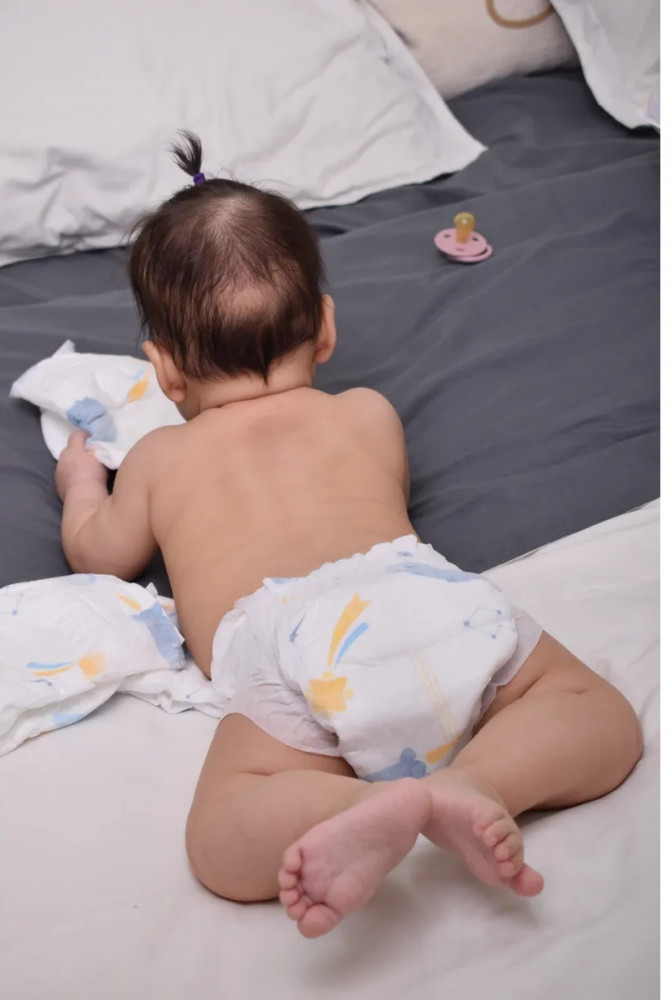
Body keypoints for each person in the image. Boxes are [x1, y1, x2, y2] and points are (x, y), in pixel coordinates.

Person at [55, 132, 642, 940]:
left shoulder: (159, 458)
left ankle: (367, 804)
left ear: (165, 370)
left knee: (222, 835)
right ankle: (482, 781)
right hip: (425, 596)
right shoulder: (368, 414)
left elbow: (97, 554)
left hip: (291, 639)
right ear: (325, 329)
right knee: (596, 715)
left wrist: (83, 486)